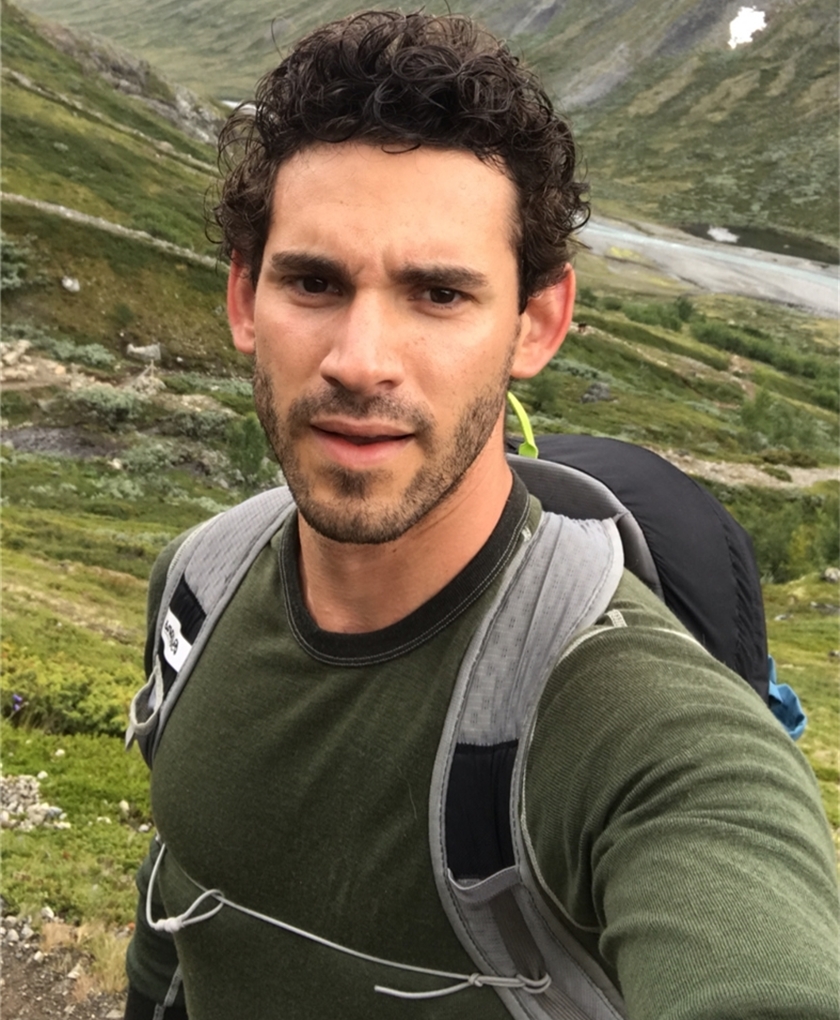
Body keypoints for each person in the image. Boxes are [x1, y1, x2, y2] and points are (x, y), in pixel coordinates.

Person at [124, 11, 839, 1020]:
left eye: (439, 294)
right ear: (245, 298)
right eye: (314, 282)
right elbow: (183, 898)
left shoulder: (641, 730)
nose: (361, 360)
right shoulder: (201, 582)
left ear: (537, 322)